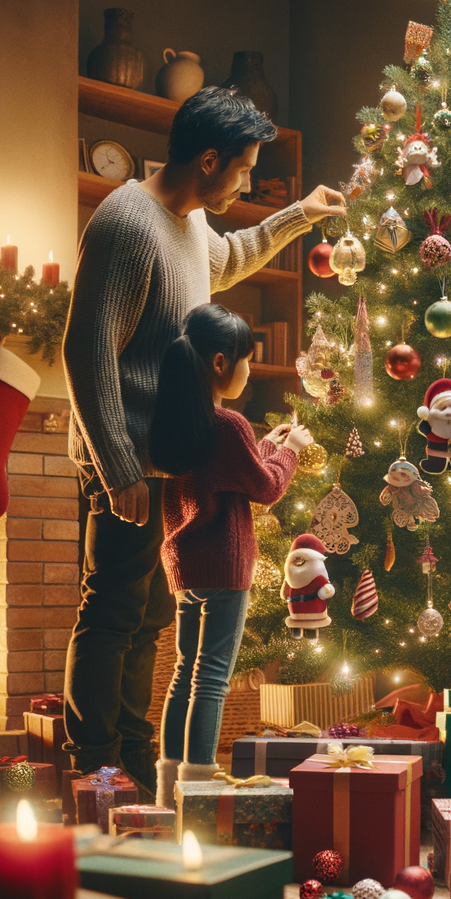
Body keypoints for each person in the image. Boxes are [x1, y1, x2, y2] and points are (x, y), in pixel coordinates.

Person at [62, 86, 345, 793]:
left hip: (166, 462)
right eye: (244, 169)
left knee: (153, 615)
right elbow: (85, 349)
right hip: (125, 462)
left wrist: (298, 216)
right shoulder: (128, 222)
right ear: (209, 158)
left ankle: (129, 757)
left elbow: (236, 252)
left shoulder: (187, 225)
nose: (247, 182)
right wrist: (117, 463)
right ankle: (94, 765)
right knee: (114, 609)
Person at [148, 304, 312, 806]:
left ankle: (169, 787)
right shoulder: (228, 423)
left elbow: (228, 472)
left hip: (185, 566)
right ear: (221, 363)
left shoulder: (179, 422)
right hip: (224, 566)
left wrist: (263, 443)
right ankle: (198, 786)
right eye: (247, 360)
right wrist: (291, 450)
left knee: (184, 674)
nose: (250, 370)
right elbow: (263, 487)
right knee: (213, 678)